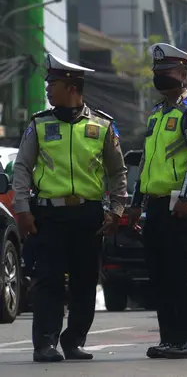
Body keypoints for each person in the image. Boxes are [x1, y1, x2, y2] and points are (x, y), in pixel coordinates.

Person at [12, 54, 126, 363]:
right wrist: (23, 209)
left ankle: (74, 340)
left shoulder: (102, 126)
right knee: (48, 281)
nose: (48, 88)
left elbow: (118, 172)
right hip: (49, 215)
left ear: (72, 86)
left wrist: (116, 209)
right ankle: (45, 343)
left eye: (53, 83)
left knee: (85, 281)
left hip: (88, 216)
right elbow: (22, 169)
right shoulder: (39, 124)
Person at [128, 43, 187, 360]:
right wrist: (137, 202)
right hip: (157, 206)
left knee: (183, 273)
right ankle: (171, 339)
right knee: (160, 275)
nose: (160, 77)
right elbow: (148, 163)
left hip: (182, 206)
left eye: (166, 72)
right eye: (156, 73)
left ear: (183, 74)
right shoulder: (157, 115)